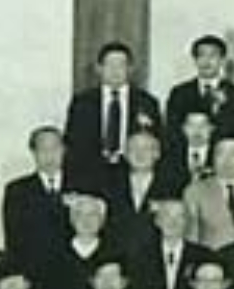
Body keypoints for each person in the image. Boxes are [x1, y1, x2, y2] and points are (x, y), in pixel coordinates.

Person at [64, 42, 163, 191]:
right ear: (99, 68)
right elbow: (73, 144)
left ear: (130, 69)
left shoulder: (147, 102)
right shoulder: (82, 103)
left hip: (132, 177)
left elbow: (157, 143)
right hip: (91, 176)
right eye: (109, 65)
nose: (115, 71)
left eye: (121, 65)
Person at [2, 127, 75, 266]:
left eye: (55, 148)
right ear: (33, 153)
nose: (49, 155)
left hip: (76, 270)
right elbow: (13, 241)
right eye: (43, 149)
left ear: (64, 150)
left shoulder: (81, 185)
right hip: (33, 270)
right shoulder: (17, 191)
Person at [164, 35, 234, 140]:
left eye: (212, 56)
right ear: (195, 60)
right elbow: (172, 131)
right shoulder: (179, 93)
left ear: (222, 60)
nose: (207, 61)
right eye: (202, 55)